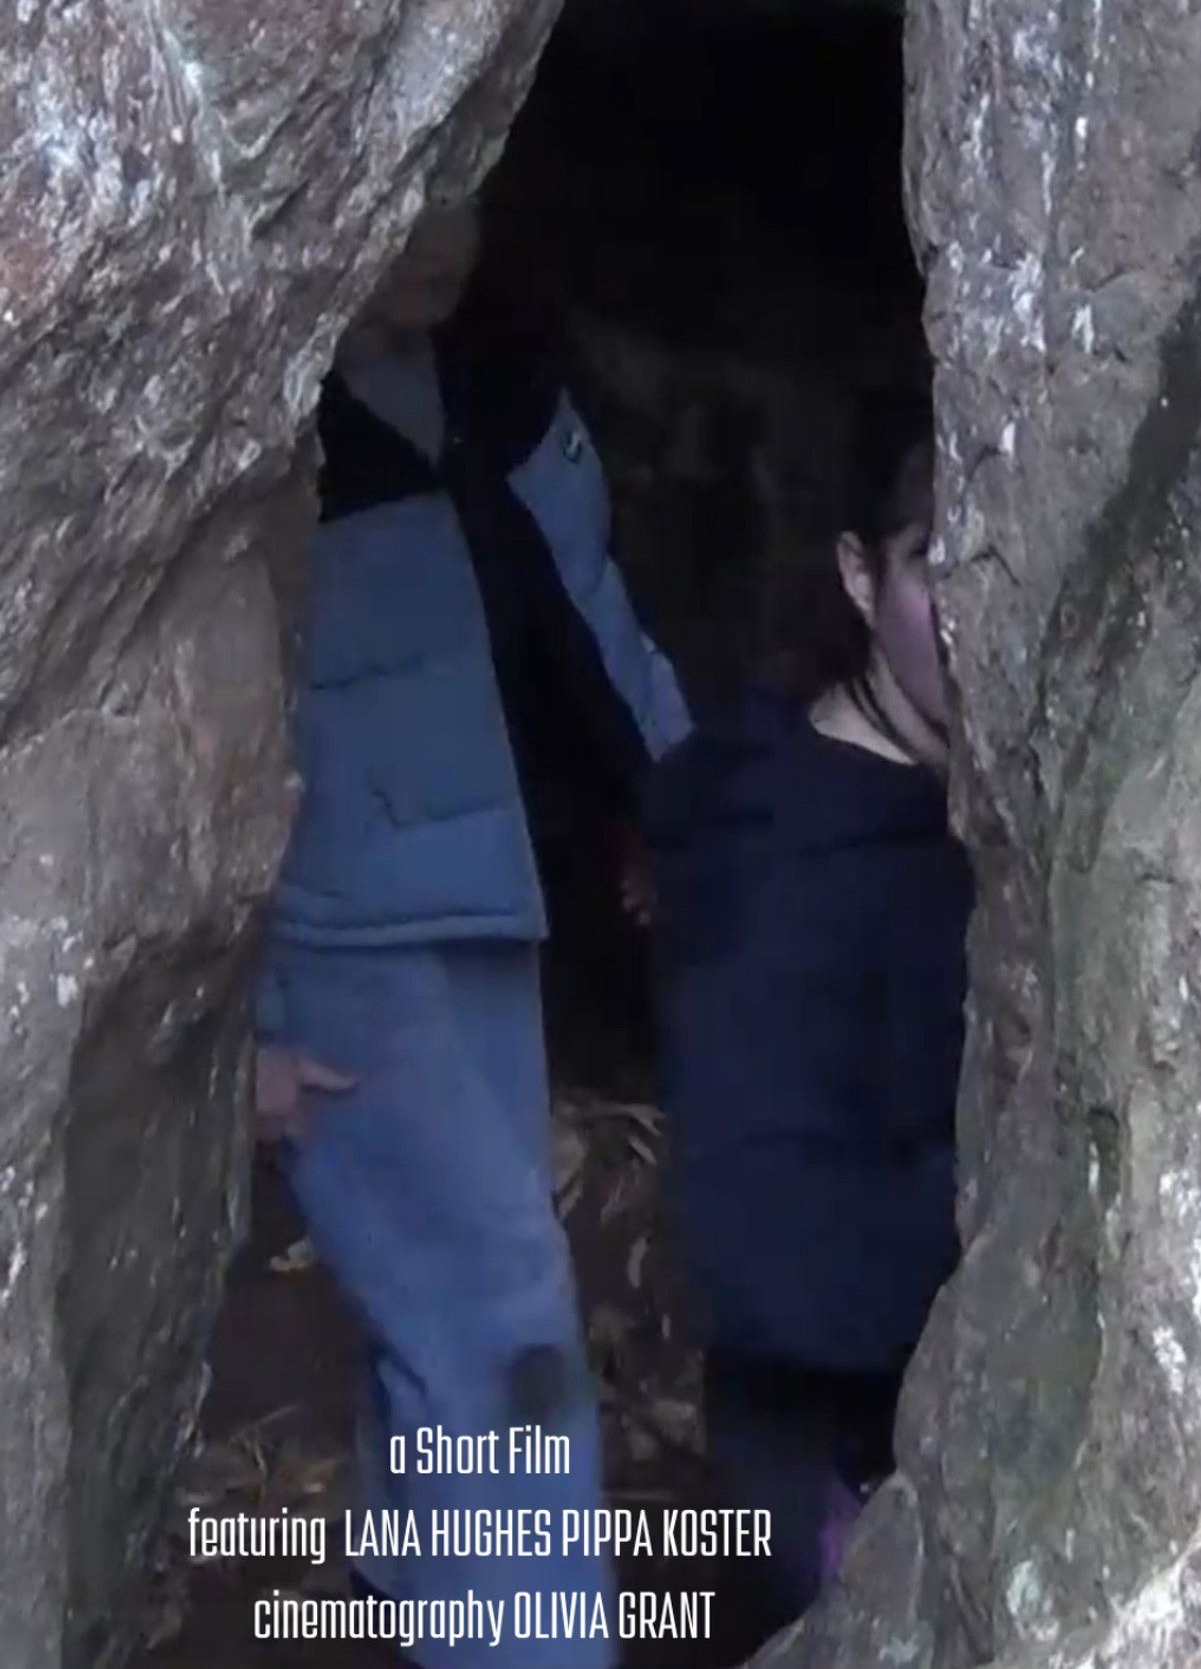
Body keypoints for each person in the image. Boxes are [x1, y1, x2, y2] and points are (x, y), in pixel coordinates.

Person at [253, 195, 690, 1669]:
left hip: (485, 894)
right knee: (500, 1316)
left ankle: (421, 1574)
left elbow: (591, 614)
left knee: (458, 1288)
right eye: (414, 198)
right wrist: (241, 1029)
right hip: (348, 937)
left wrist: (680, 814)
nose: (445, 232)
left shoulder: (497, 373)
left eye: (469, 193)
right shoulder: (250, 411)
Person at [643, 384, 973, 1646]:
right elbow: (767, 1253)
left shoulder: (974, 814)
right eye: (933, 561)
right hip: (829, 1463)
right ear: (854, 574)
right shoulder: (775, 871)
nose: (971, 611)